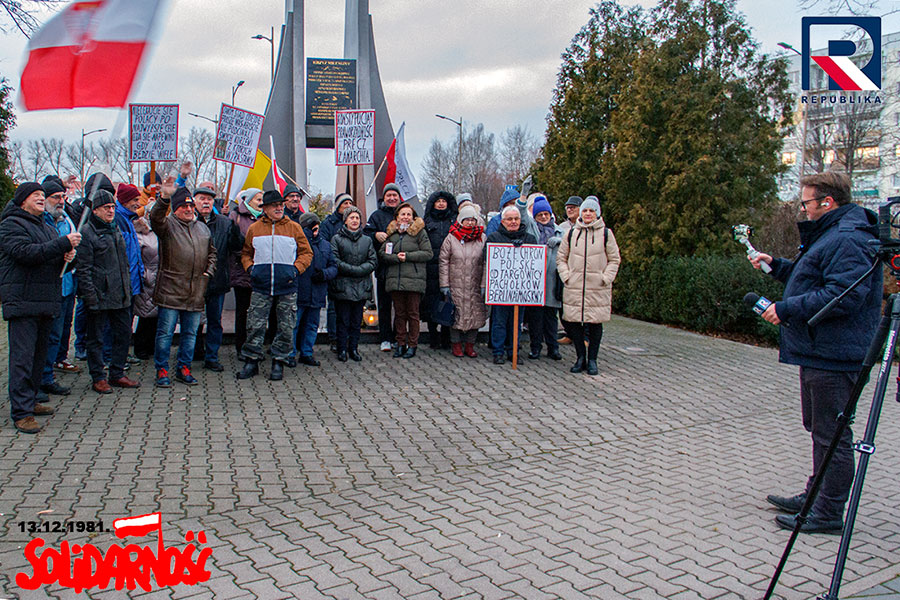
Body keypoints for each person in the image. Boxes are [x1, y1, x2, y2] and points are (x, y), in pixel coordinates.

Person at [751, 172, 881, 534]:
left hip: (835, 353)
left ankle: (827, 513)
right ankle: (816, 495)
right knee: (820, 428)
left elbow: (843, 295)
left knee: (832, 433)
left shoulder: (849, 238)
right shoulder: (834, 233)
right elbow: (814, 279)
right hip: (820, 349)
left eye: (806, 202)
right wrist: (777, 265)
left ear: (828, 202)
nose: (803, 209)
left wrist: (787, 309)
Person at [0, 182, 80, 433]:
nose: (40, 198)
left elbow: (49, 256)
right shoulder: (10, 225)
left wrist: (67, 256)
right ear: (22, 200)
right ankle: (21, 412)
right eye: (35, 195)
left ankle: (32, 399)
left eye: (41, 196)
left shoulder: (45, 227)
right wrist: (61, 244)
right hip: (23, 300)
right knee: (22, 359)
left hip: (45, 299)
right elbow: (26, 253)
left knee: (38, 357)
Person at [237, 190, 313, 380]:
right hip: (261, 286)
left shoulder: (294, 228)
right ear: (265, 209)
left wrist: (295, 270)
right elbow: (246, 254)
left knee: (286, 326)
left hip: (287, 286)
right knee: (255, 325)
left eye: (281, 204)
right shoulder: (254, 229)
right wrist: (251, 269)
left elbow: (307, 253)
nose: (279, 208)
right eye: (275, 205)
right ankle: (251, 361)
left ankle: (279, 361)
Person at [151, 182, 217, 387]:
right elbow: (155, 218)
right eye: (183, 206)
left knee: (190, 334)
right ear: (175, 209)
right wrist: (164, 199)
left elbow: (212, 253)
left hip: (196, 291)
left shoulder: (202, 228)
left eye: (190, 206)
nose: (188, 209)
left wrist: (208, 272)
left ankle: (184, 368)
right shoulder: (167, 226)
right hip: (171, 290)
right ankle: (162, 370)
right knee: (165, 334)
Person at [74, 189, 141, 393]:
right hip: (99, 295)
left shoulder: (115, 228)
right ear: (95, 211)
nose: (111, 211)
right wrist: (90, 297)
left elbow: (123, 262)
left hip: (120, 293)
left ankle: (117, 373)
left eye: (112, 207)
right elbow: (83, 269)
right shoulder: (87, 232)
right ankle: (98, 377)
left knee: (123, 335)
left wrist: (127, 288)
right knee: (96, 338)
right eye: (106, 208)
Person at [556, 197, 620, 376]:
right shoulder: (571, 234)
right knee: (574, 323)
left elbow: (614, 259)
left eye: (591, 211)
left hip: (597, 287)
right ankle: (580, 357)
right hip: (574, 286)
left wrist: (606, 277)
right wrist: (566, 276)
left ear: (597, 213)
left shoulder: (606, 234)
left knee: (594, 324)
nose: (588, 214)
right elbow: (561, 257)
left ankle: (592, 359)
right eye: (585, 211)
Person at [193, 185, 242, 371]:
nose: (206, 202)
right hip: (194, 282)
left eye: (210, 199)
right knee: (193, 321)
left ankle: (212, 356)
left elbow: (235, 247)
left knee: (215, 321)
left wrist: (236, 229)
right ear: (194, 201)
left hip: (217, 280)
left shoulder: (224, 222)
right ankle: (194, 352)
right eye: (202, 199)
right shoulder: (188, 221)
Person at [39, 179, 78, 397]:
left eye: (63, 197)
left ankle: (48, 375)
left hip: (66, 285)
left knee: (57, 333)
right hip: (46, 288)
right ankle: (41, 377)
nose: (61, 201)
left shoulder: (66, 220)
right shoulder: (41, 222)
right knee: (45, 336)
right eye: (56, 197)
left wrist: (72, 256)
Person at [380, 202, 433, 358]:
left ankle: (412, 345)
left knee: (413, 314)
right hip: (395, 280)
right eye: (402, 214)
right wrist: (394, 258)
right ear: (397, 217)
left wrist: (408, 257)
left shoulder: (420, 233)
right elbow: (382, 253)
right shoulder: (391, 233)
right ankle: (400, 344)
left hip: (414, 280)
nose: (405, 217)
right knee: (399, 314)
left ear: (413, 217)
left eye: (408, 214)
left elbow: (428, 253)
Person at [485, 206, 537, 364]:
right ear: (503, 221)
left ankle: (513, 351)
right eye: (509, 219)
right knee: (500, 321)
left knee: (516, 322)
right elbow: (486, 257)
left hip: (520, 290)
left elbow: (535, 261)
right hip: (501, 289)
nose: (513, 222)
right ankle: (498, 351)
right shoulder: (494, 237)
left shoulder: (529, 238)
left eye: (516, 219)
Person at [439, 203, 487, 358]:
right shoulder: (451, 238)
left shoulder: (482, 238)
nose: (470, 223)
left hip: (475, 283)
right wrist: (444, 284)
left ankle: (470, 345)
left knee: (476, 314)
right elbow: (443, 261)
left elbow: (487, 262)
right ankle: (456, 345)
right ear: (460, 220)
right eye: (467, 219)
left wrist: (484, 284)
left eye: (473, 219)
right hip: (456, 284)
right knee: (456, 314)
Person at [330, 206, 377, 362]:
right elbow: (335, 260)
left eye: (357, 218)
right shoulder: (337, 239)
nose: (355, 220)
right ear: (345, 220)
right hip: (343, 285)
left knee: (357, 321)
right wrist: (353, 270)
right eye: (352, 218)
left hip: (361, 286)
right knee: (343, 319)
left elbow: (372, 260)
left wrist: (360, 270)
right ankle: (342, 349)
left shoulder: (367, 240)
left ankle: (354, 348)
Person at [293, 212, 337, 365]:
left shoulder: (325, 244)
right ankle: (290, 354)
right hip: (300, 291)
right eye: (311, 227)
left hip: (317, 292)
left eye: (316, 227)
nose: (315, 230)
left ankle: (306, 353)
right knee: (294, 325)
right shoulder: (296, 243)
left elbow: (334, 266)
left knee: (312, 325)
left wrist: (324, 274)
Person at [364, 183, 403, 351]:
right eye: (389, 195)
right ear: (384, 198)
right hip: (384, 268)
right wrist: (375, 235)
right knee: (385, 305)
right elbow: (365, 234)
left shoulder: (405, 214)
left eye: (395, 195)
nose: (392, 198)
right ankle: (385, 338)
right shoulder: (376, 216)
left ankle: (398, 337)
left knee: (400, 307)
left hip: (402, 269)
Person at [527, 196, 563, 361]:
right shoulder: (532, 230)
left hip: (553, 281)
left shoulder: (559, 231)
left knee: (551, 318)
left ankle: (553, 348)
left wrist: (561, 242)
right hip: (535, 281)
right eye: (539, 214)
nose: (543, 217)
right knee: (536, 318)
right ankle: (535, 348)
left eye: (545, 214)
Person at [114, 183, 146, 365]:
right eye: (135, 200)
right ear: (125, 200)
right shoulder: (118, 219)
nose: (138, 203)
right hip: (123, 283)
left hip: (132, 281)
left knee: (126, 322)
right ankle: (114, 357)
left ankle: (122, 354)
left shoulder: (128, 219)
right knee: (119, 324)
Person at [423, 190, 458, 350]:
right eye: (438, 201)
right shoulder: (427, 222)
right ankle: (433, 336)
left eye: (444, 201)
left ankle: (446, 336)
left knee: (447, 301)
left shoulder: (454, 221)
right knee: (431, 302)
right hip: (430, 268)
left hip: (450, 268)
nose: (441, 204)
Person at [229, 188, 262, 354]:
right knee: (243, 312)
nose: (261, 203)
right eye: (257, 199)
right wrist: (247, 254)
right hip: (242, 271)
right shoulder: (235, 216)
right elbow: (232, 242)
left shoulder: (265, 218)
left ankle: (255, 345)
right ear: (248, 201)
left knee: (257, 313)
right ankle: (241, 346)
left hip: (260, 272)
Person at [320, 193, 355, 348]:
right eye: (344, 203)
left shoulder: (355, 222)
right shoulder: (328, 223)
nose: (347, 205)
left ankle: (348, 338)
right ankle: (333, 337)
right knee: (334, 307)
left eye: (350, 202)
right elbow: (325, 245)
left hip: (351, 271)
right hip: (335, 270)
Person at [132, 209, 159, 360]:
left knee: (156, 315)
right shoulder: (141, 232)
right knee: (145, 314)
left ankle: (152, 346)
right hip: (147, 278)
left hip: (161, 278)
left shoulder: (162, 230)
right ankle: (140, 347)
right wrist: (144, 275)